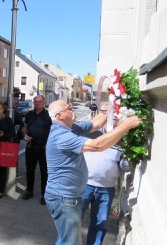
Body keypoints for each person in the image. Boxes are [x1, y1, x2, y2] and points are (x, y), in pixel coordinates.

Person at [45, 99, 140, 245]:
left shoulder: (71, 128)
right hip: (63, 198)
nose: (72, 109)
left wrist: (112, 109)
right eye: (68, 108)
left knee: (70, 239)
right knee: (69, 242)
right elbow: (97, 145)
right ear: (59, 116)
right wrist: (125, 126)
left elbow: (96, 124)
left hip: (70, 196)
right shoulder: (61, 136)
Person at [82, 104, 131, 245]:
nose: (114, 116)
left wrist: (128, 162)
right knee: (74, 219)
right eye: (111, 112)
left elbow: (123, 165)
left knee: (99, 224)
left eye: (117, 113)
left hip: (106, 189)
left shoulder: (123, 139)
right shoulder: (90, 133)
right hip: (85, 185)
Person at [22, 95, 52, 205]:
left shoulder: (48, 115)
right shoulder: (29, 114)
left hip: (44, 148)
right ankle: (29, 191)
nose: (37, 103)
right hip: (31, 147)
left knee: (45, 172)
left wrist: (48, 144)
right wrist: (25, 135)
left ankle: (44, 194)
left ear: (44, 102)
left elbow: (53, 131)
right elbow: (25, 127)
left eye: (40, 101)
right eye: (36, 101)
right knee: (29, 170)